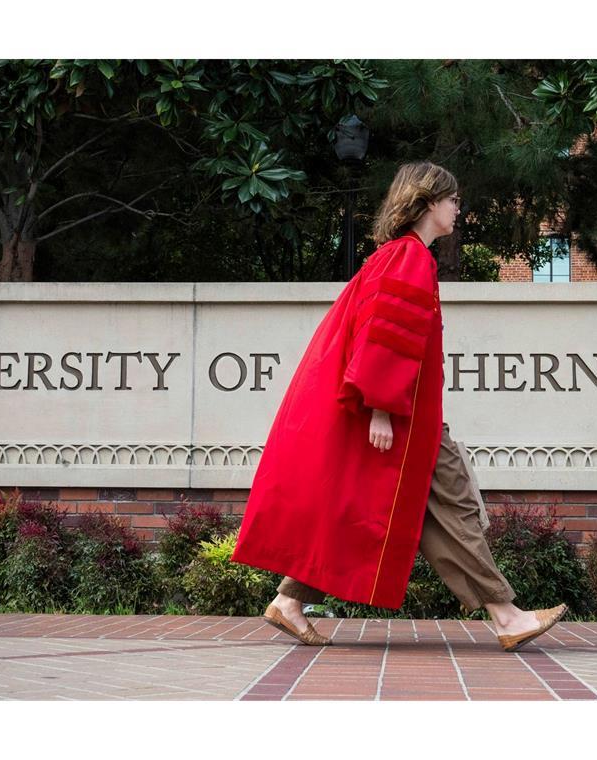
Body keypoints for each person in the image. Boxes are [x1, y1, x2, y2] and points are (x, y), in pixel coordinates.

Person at [231, 161, 567, 652]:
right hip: (399, 418)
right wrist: (382, 408)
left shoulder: (395, 256)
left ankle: (289, 600)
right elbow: (382, 335)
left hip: (412, 417)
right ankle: (507, 615)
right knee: (450, 504)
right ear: (429, 202)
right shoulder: (409, 258)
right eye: (452, 199)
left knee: (385, 507)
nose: (458, 207)